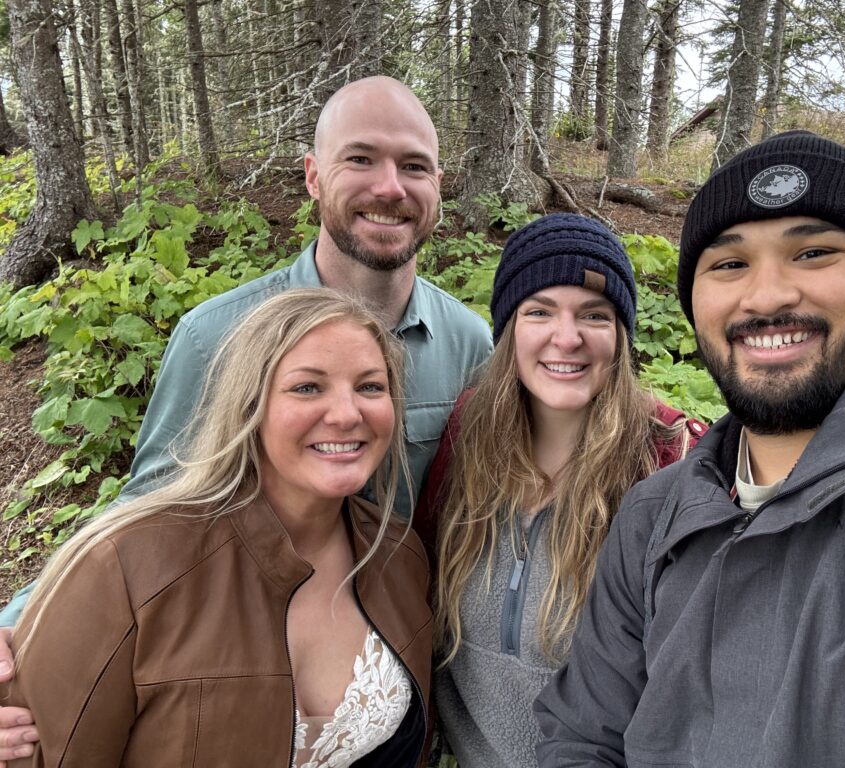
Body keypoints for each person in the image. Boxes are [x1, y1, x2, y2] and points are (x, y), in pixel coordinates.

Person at [0, 76, 491, 761]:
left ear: (439, 185)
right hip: (220, 679)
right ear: (314, 178)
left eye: (414, 166)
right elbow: (147, 517)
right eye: (360, 159)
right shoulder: (219, 334)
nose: (389, 186)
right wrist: (19, 635)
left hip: (390, 662)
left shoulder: (469, 341)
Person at [534, 131, 845, 766]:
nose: (765, 297)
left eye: (814, 252)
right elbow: (584, 737)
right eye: (729, 264)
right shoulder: (653, 517)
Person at [4, 288, 433, 767]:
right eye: (308, 387)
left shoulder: (398, 556)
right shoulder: (126, 566)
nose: (347, 413)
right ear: (249, 404)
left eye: (370, 387)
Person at [418, 213, 705, 767]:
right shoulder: (465, 443)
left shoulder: (672, 464)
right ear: (508, 329)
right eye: (540, 311)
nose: (566, 337)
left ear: (621, 335)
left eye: (593, 315)